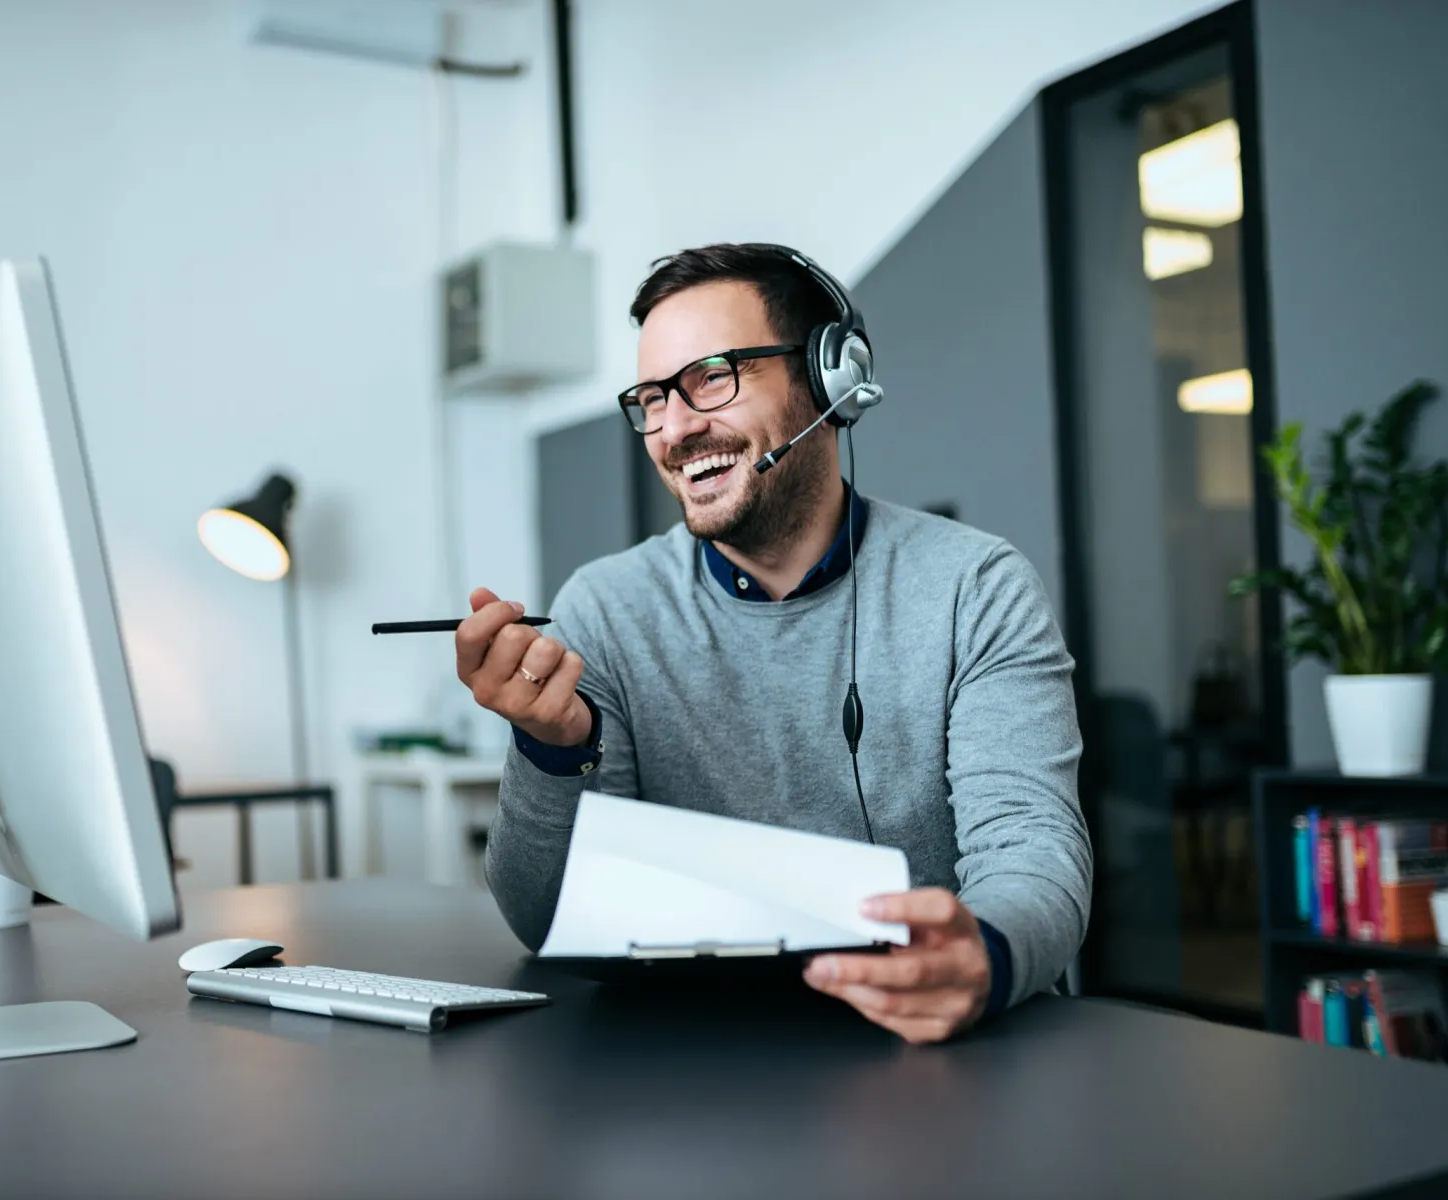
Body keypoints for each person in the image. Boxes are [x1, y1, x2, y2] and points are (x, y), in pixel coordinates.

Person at [454, 243, 1091, 1044]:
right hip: (697, 1061)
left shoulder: (975, 587)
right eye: (652, 398)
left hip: (929, 1045)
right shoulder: (604, 609)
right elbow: (547, 919)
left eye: (712, 377)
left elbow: (1032, 851)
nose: (675, 428)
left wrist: (982, 957)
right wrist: (552, 751)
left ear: (830, 381)